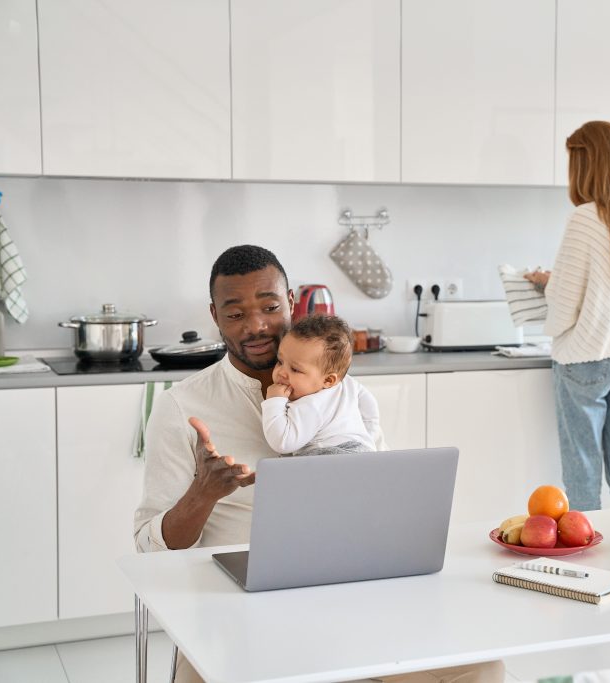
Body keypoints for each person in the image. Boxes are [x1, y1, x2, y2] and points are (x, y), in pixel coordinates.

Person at [134, 244, 503, 683]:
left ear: (290, 303)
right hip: (236, 608)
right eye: (235, 314)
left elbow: (381, 490)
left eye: (270, 307)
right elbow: (149, 548)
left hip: (345, 593)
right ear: (214, 316)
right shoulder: (182, 407)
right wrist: (203, 494)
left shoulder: (340, 391)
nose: (256, 326)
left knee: (481, 669)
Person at [525, 120, 610, 511]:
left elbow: (565, 304)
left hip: (585, 363)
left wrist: (549, 296)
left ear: (588, 165)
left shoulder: (585, 218)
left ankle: (593, 566)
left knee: (582, 474)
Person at [262, 313, 376, 455]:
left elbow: (282, 442)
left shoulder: (311, 405)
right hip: (362, 450)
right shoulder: (347, 383)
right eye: (280, 362)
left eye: (295, 369)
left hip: (329, 455)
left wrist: (274, 402)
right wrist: (369, 438)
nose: (281, 372)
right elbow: (369, 405)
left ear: (328, 381)